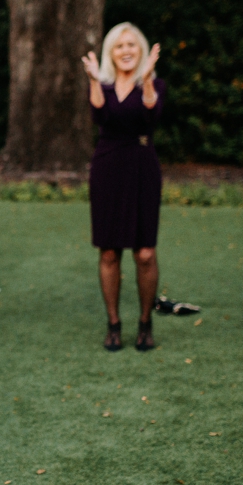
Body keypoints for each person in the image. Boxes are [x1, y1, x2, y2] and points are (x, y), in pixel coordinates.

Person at [80, 21, 165, 352]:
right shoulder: (103, 84)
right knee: (110, 250)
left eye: (131, 45)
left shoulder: (155, 83)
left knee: (145, 253)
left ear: (141, 50)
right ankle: (113, 323)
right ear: (110, 53)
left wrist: (145, 78)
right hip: (108, 167)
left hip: (143, 166)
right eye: (119, 45)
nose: (126, 50)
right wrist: (93, 80)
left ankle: (145, 322)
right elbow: (100, 116)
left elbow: (151, 116)